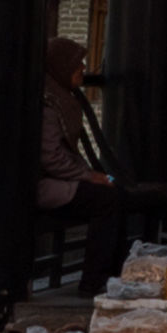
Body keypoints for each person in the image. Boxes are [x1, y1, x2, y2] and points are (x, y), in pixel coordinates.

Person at [32, 37, 111, 292]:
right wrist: (87, 176)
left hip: (59, 179)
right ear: (61, 66)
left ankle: (105, 277)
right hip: (43, 183)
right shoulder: (49, 102)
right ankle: (93, 283)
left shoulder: (61, 97)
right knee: (105, 201)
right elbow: (51, 157)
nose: (83, 68)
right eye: (77, 63)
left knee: (112, 194)